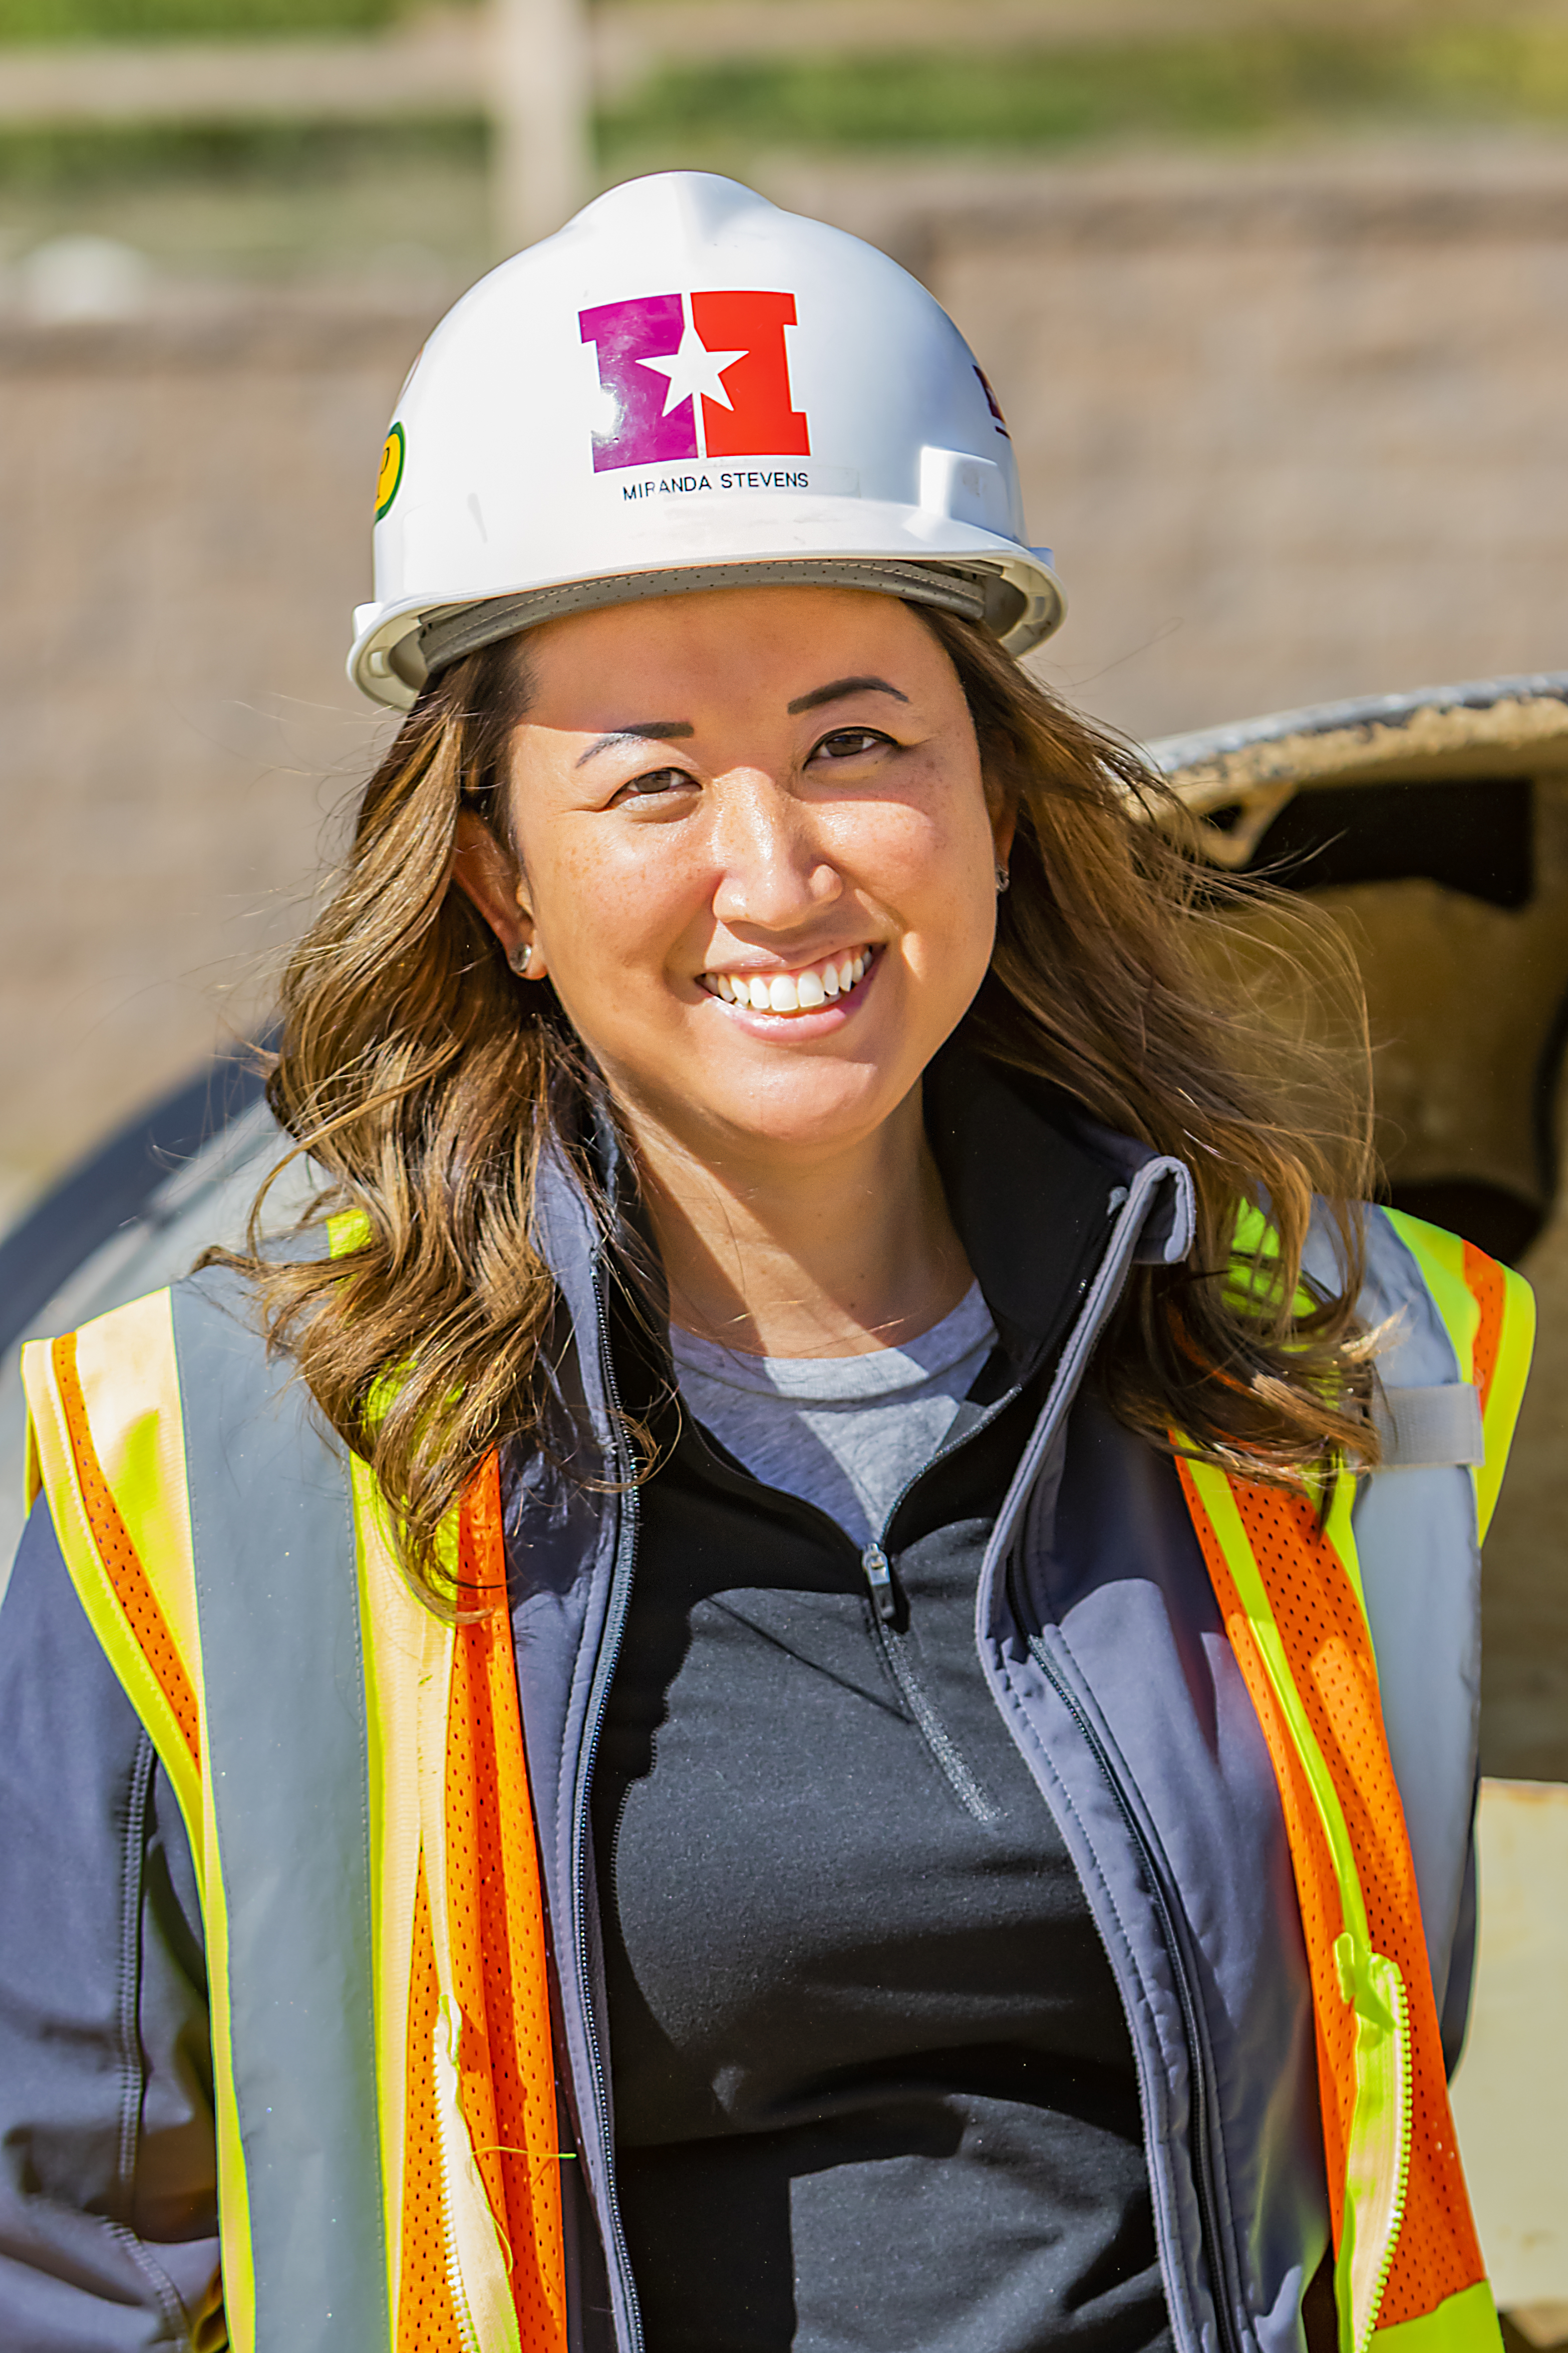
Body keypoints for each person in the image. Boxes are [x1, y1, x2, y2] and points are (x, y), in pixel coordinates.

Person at [0, 172, 1534, 2353]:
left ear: (996, 801)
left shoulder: (1349, 1361)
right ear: (499, 881)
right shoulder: (219, 1468)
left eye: (854, 741)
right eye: (650, 781)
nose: (775, 865)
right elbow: (52, 2263)